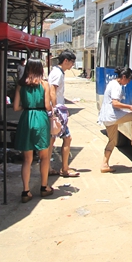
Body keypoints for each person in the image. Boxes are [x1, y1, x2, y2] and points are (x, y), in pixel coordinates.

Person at [13, 59, 53, 203]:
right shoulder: (44, 84)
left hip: (26, 119)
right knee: (44, 156)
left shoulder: (20, 85)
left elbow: (15, 107)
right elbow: (47, 106)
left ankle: (25, 191)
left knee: (27, 159)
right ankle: (44, 187)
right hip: (41, 119)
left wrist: (27, 107)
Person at [98, 66, 132, 173]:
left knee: (112, 141)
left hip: (106, 117)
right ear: (123, 77)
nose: (128, 82)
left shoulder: (111, 83)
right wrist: (130, 107)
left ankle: (104, 164)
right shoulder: (117, 86)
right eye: (128, 79)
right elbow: (115, 103)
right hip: (112, 116)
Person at [47, 49, 79, 178]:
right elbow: (52, 91)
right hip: (56, 111)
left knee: (52, 139)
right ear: (65, 61)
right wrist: (56, 110)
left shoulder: (57, 72)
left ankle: (48, 167)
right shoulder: (57, 73)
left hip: (55, 110)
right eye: (72, 62)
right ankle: (65, 169)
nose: (72, 65)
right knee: (67, 138)